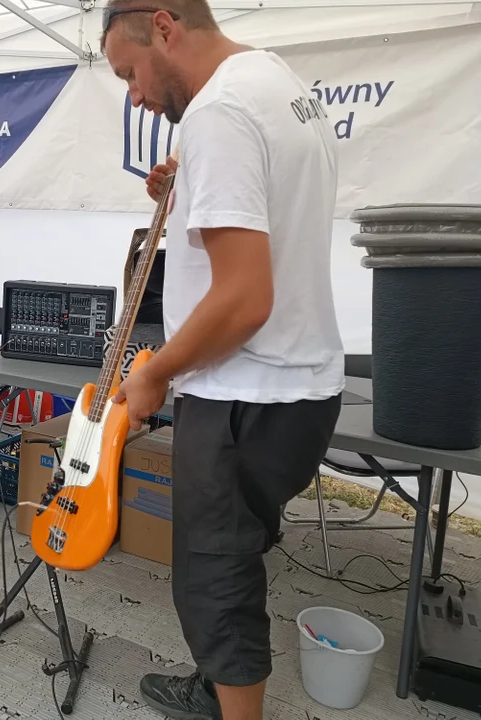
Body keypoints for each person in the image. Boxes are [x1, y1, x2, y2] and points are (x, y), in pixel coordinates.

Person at [103, 3, 345, 719]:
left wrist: (154, 372)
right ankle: (217, 685)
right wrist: (185, 191)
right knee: (233, 563)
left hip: (244, 393)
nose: (135, 96)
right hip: (295, 389)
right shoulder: (275, 82)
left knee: (214, 585)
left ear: (166, 25)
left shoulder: (220, 112)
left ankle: (229, 703)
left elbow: (244, 300)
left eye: (130, 72)